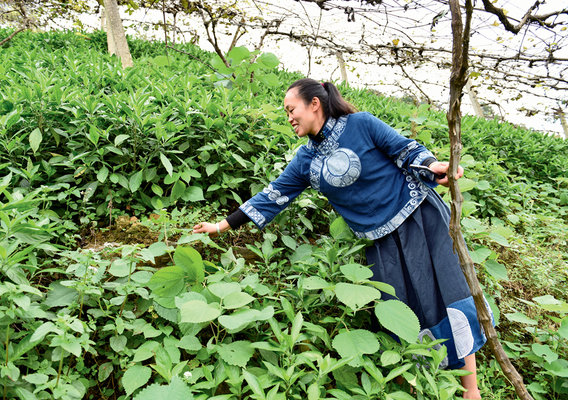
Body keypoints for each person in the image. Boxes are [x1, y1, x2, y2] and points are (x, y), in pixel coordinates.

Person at [193, 78, 486, 399]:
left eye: (292, 110)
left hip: (419, 217)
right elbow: (272, 196)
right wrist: (221, 226)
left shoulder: (361, 124)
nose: (289, 117)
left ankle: (471, 390)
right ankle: (425, 383)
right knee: (403, 310)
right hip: (381, 243)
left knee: (446, 293)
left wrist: (435, 167)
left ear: (314, 104)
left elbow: (406, 150)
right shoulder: (306, 161)